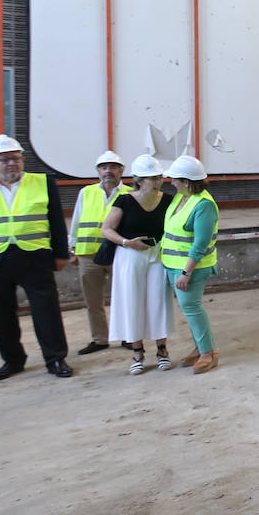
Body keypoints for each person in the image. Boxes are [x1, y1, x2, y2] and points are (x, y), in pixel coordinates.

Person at [0, 134, 73, 380]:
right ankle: (13, 361)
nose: (11, 164)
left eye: (16, 158)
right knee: (1, 313)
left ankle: (56, 359)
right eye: (5, 159)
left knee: (46, 310)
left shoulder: (42, 182)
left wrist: (61, 253)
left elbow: (56, 221)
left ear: (22, 159)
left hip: (34, 256)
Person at [102, 153, 175, 374]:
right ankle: (137, 352)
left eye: (159, 177)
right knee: (131, 300)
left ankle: (162, 350)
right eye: (152, 178)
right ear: (139, 180)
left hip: (158, 255)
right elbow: (106, 229)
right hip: (130, 256)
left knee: (158, 300)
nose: (158, 181)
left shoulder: (168, 200)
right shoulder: (124, 200)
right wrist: (126, 243)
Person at [161, 154, 220, 374]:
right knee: (189, 309)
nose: (171, 182)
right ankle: (200, 348)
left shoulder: (204, 205)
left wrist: (186, 272)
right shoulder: (181, 197)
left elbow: (200, 243)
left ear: (187, 181)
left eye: (175, 179)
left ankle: (208, 354)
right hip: (174, 264)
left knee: (192, 308)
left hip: (191, 267)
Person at [68, 149, 131, 354]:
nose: (108, 171)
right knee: (92, 300)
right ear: (98, 171)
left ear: (121, 171)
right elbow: (76, 220)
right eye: (104, 168)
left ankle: (127, 336)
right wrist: (72, 247)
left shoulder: (130, 194)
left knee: (123, 298)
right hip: (88, 254)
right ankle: (100, 339)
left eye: (113, 167)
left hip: (118, 254)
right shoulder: (86, 192)